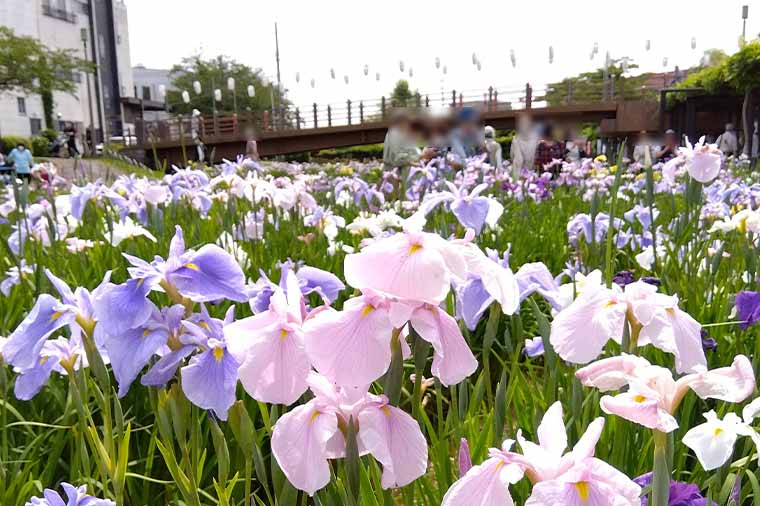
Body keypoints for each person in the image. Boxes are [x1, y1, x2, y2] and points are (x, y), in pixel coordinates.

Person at [510, 114, 538, 178]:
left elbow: (512, 156)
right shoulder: (536, 138)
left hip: (521, 173)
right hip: (530, 172)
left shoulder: (515, 139)